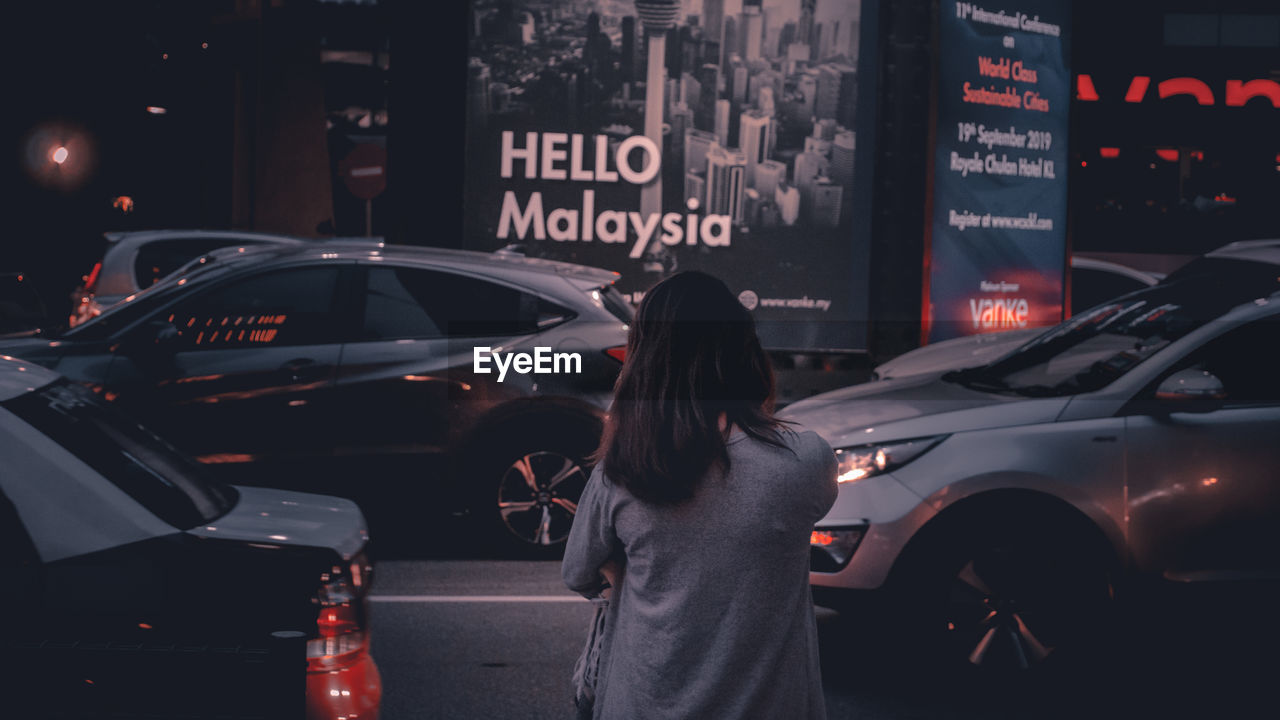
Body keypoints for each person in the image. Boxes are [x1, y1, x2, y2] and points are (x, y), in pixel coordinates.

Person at [562, 271, 839, 719]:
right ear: (744, 351)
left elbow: (578, 572)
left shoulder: (623, 467)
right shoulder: (807, 459)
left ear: (645, 361)